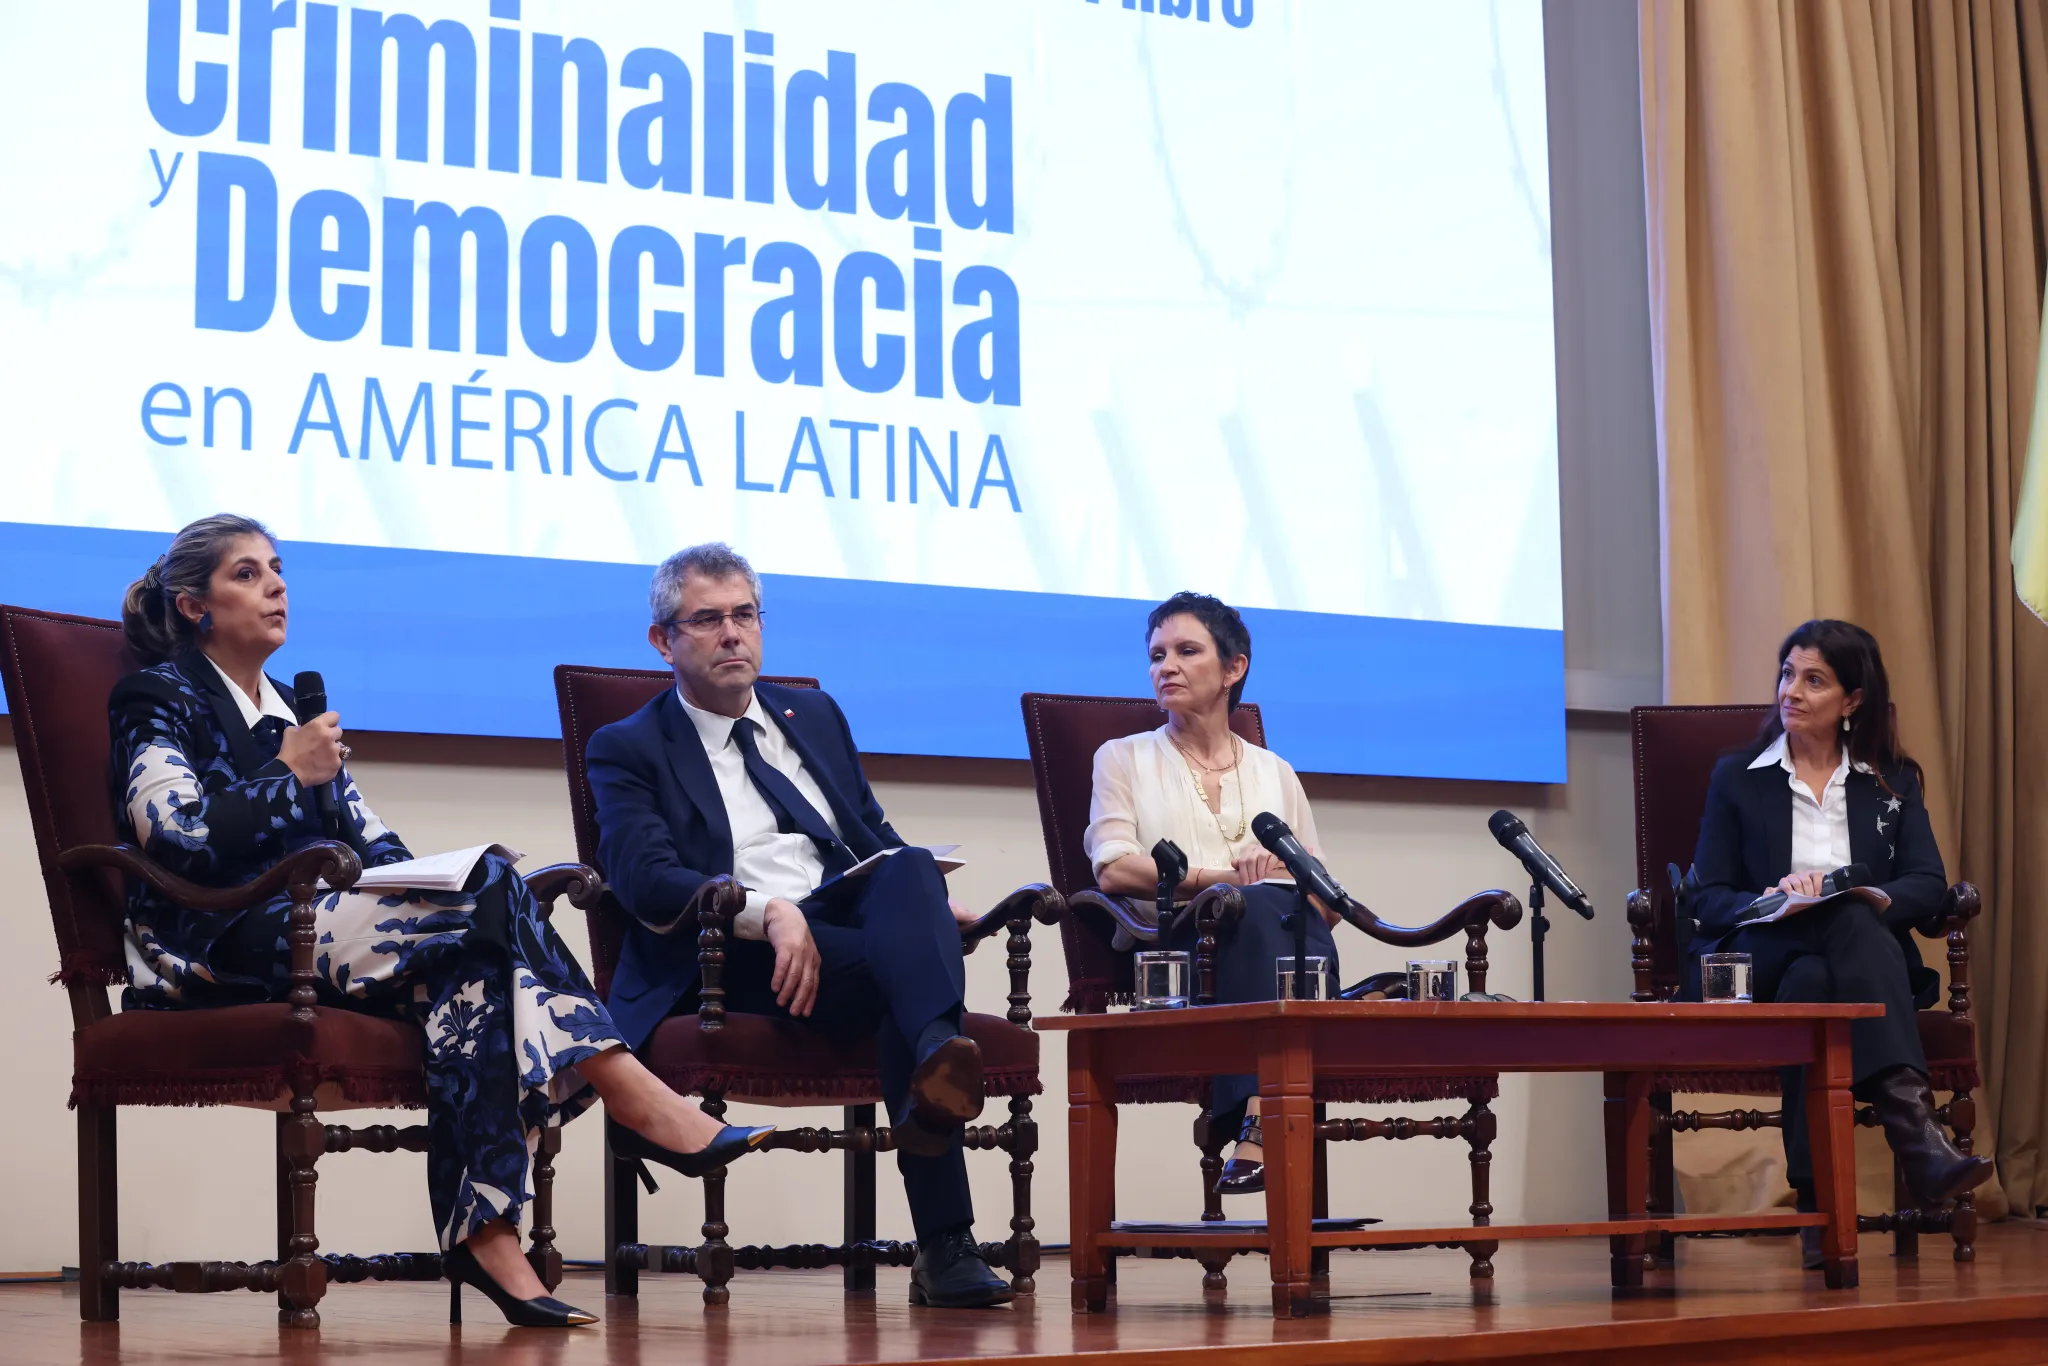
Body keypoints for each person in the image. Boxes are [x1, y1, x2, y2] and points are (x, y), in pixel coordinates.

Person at [109, 515, 771, 1328]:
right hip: (211, 942)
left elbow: (371, 840)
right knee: (491, 897)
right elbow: (173, 835)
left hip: (311, 929)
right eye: (247, 574)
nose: (277, 586)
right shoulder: (156, 696)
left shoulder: (291, 708)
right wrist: (287, 774)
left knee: (477, 962)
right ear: (192, 605)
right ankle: (630, 1089)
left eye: (277, 569)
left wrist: (439, 876)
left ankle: (488, 1235)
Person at [584, 543, 1012, 1309]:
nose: (732, 635)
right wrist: (768, 911)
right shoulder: (628, 747)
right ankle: (945, 1235)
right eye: (707, 620)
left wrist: (920, 907)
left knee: (910, 866)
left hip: (841, 929)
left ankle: (934, 1067)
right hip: (727, 958)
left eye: (744, 615)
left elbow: (871, 836)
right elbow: (645, 880)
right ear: (664, 641)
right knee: (902, 986)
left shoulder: (811, 713)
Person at [1687, 619, 1994, 1267]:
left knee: (1820, 973)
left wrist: (1869, 894)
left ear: (1853, 701)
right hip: (1756, 956)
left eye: (1813, 680)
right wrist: (1776, 898)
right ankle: (1919, 1138)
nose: (1790, 691)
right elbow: (1708, 897)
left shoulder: (1892, 780)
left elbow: (1926, 882)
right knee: (1830, 932)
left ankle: (1816, 1212)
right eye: (1786, 673)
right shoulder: (1738, 777)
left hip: (1843, 971)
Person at [1084, 591, 1340, 1196]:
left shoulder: (1275, 772)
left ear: (1233, 668)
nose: (1164, 667)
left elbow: (1328, 899)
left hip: (1280, 941)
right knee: (1260, 904)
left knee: (1284, 908)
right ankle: (1265, 1112)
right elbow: (1114, 870)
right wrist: (1225, 880)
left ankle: (1256, 1111)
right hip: (1178, 949)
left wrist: (1280, 874)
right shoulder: (1122, 759)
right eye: (1156, 655)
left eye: (1185, 651)